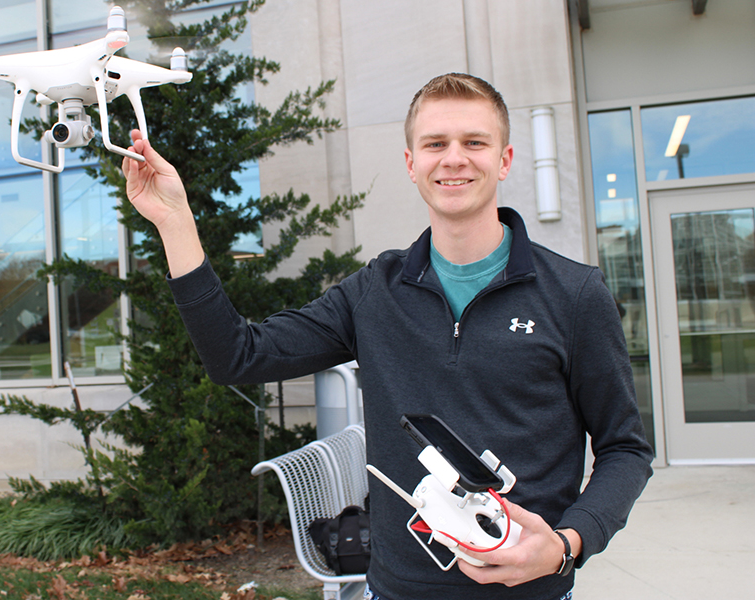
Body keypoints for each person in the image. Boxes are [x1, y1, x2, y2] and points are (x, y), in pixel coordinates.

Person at [121, 73, 654, 600]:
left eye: (474, 142)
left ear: (505, 160)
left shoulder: (575, 294)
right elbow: (238, 356)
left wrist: (568, 542)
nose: (454, 158)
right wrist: (175, 223)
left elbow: (624, 449)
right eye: (435, 144)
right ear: (411, 163)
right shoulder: (374, 291)